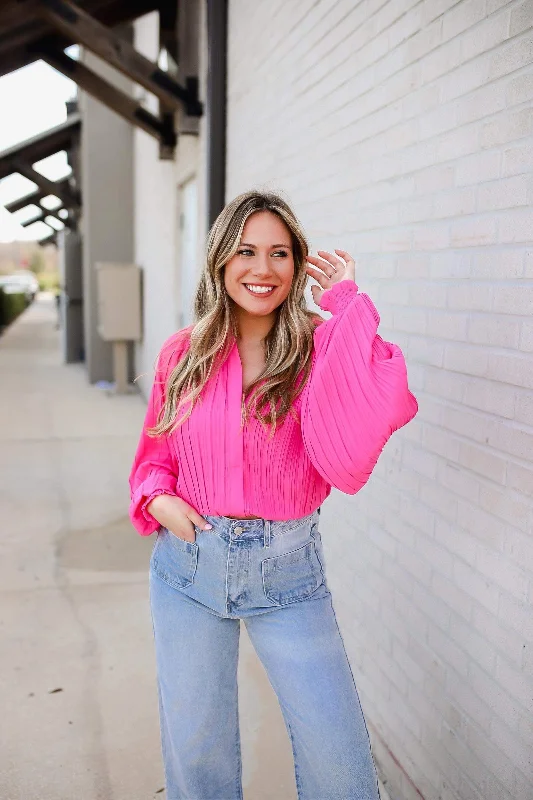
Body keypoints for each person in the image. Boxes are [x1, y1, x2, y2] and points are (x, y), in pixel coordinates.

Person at [128, 190, 418, 800]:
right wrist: (157, 498)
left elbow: (387, 393)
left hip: (288, 575)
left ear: (297, 263)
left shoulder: (318, 347)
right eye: (247, 251)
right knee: (197, 753)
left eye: (280, 254)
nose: (263, 270)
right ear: (220, 260)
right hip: (188, 570)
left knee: (339, 764)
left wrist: (346, 300)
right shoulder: (183, 352)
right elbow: (154, 458)